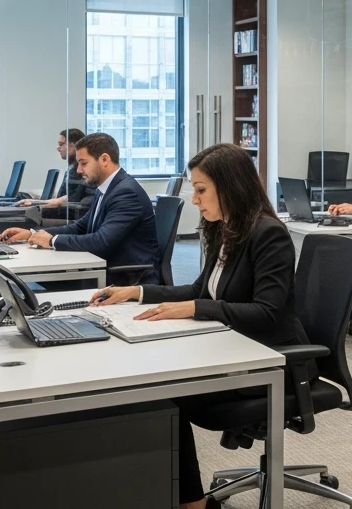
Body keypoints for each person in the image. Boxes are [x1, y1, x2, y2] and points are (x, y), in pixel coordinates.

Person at [88, 142, 307, 509]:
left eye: (202, 189)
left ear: (231, 186)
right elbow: (199, 289)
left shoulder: (268, 234)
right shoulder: (227, 229)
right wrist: (137, 292)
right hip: (230, 348)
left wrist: (194, 308)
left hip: (275, 361)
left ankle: (192, 503)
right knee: (153, 386)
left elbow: (267, 312)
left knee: (162, 395)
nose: (195, 200)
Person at [0, 132, 161, 285]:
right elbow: (81, 227)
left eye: (83, 163)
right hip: (102, 268)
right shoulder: (106, 188)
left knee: (36, 284)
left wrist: (51, 241)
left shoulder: (126, 193)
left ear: (104, 159)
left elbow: (101, 241)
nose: (78, 170)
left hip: (125, 279)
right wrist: (33, 234)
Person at [18, 128, 94, 221]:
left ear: (75, 146)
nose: (58, 148)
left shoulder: (80, 172)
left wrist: (37, 204)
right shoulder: (72, 169)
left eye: (61, 144)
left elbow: (70, 200)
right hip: (66, 212)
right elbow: (64, 198)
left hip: (70, 216)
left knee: (29, 216)